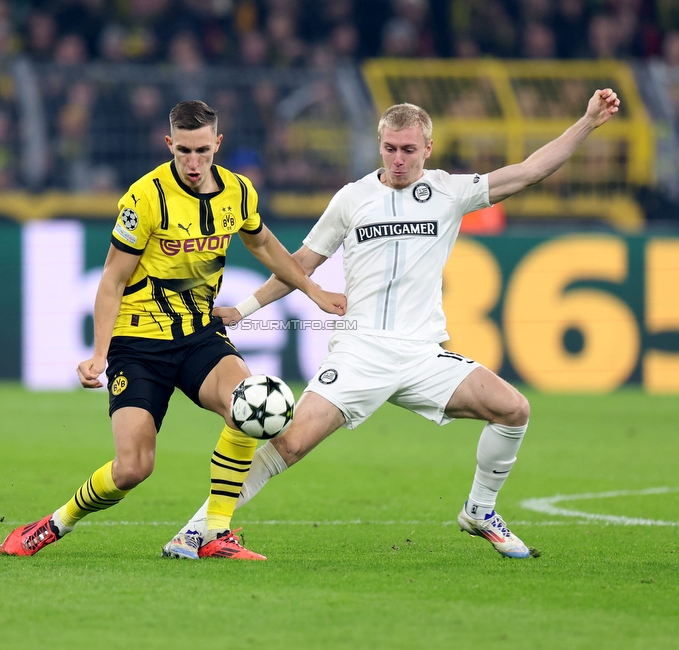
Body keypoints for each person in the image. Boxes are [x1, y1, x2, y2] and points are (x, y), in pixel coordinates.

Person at [163, 89, 621, 560]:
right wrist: (243, 309)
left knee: (513, 410)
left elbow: (529, 171)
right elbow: (300, 263)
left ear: (427, 148)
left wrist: (587, 122)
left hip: (423, 353)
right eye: (389, 148)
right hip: (361, 350)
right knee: (291, 442)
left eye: (408, 150)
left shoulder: (449, 191)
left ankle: (480, 510)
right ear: (378, 144)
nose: (398, 159)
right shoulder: (352, 198)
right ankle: (197, 531)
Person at [0, 100, 346, 560]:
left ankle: (212, 533)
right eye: (183, 150)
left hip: (198, 334)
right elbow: (112, 279)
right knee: (132, 468)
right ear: (169, 145)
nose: (193, 162)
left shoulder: (239, 192)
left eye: (202, 150)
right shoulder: (146, 197)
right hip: (138, 345)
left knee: (247, 403)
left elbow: (262, 242)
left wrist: (312, 289)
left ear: (217, 144)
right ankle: (55, 524)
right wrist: (100, 353)